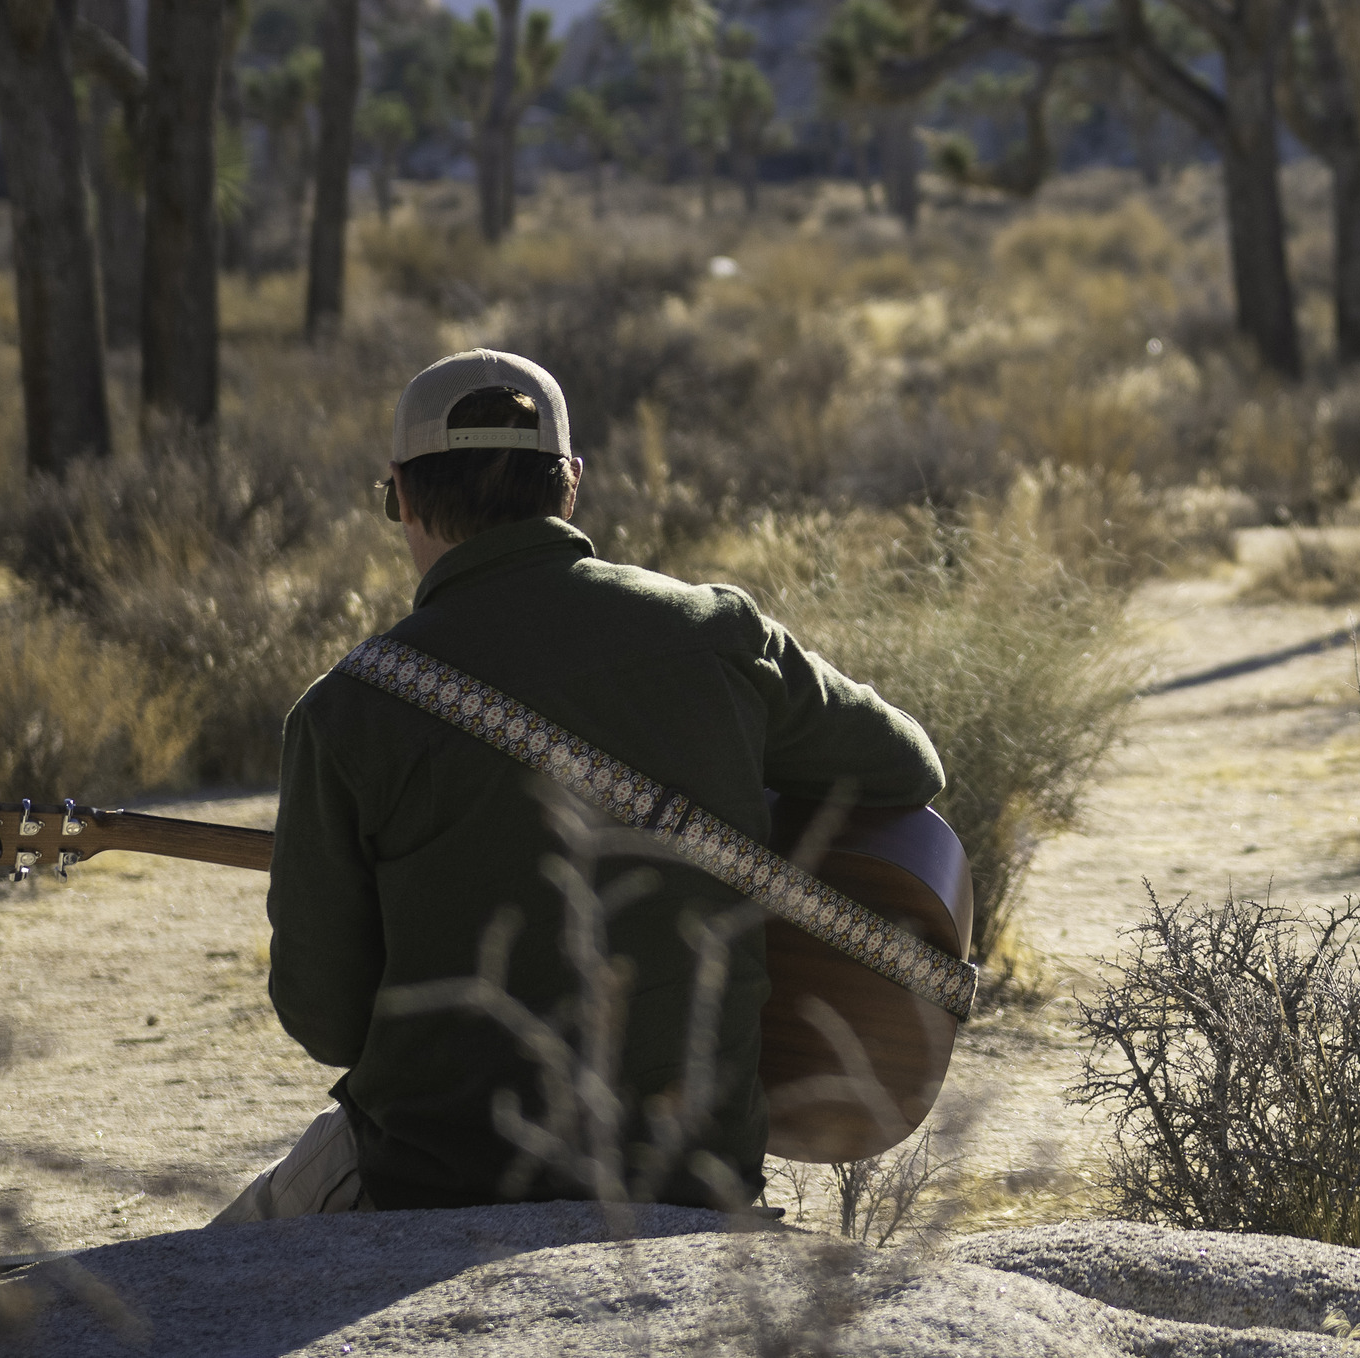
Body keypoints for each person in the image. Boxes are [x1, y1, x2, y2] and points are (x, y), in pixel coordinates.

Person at [213, 348, 944, 1221]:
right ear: (569, 484)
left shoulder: (345, 713)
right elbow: (908, 767)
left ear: (400, 496)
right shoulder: (714, 634)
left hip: (439, 1177)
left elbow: (325, 1022)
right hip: (691, 1173)